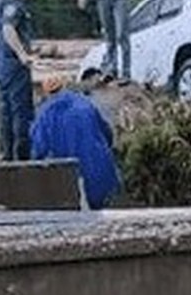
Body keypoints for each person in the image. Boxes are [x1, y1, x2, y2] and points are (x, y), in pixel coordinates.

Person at [30, 76, 123, 209]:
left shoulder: (43, 115)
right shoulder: (86, 103)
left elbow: (37, 154)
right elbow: (108, 135)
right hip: (103, 182)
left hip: (69, 190)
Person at [0, 0, 38, 161]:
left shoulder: (0, 2)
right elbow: (8, 30)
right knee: (21, 111)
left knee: (4, 111)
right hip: (14, 66)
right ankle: (22, 159)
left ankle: (5, 156)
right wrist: (22, 55)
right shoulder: (14, 4)